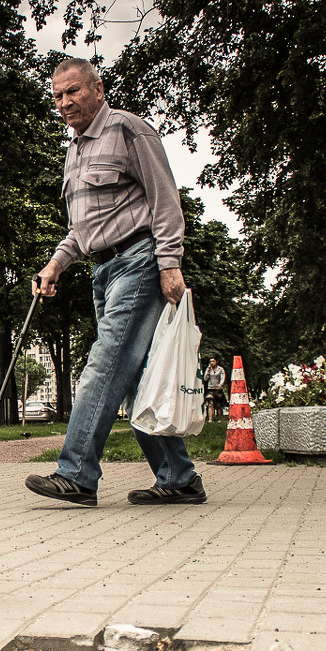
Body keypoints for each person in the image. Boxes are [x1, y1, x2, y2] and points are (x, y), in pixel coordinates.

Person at [24, 57, 205, 507]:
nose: (66, 102)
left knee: (104, 363)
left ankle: (77, 474)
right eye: (58, 96)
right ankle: (179, 478)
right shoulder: (74, 151)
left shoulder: (128, 130)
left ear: (97, 89)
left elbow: (165, 200)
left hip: (139, 260)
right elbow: (82, 229)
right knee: (131, 376)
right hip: (102, 271)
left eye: (74, 91)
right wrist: (55, 265)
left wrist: (170, 264)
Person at [203, 357, 226, 422]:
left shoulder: (220, 369)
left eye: (213, 361)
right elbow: (205, 378)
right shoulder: (209, 369)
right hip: (210, 388)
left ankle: (219, 418)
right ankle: (210, 419)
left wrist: (220, 384)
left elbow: (222, 377)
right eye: (210, 361)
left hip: (218, 388)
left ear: (216, 362)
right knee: (210, 404)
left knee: (219, 405)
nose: (211, 363)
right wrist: (207, 370)